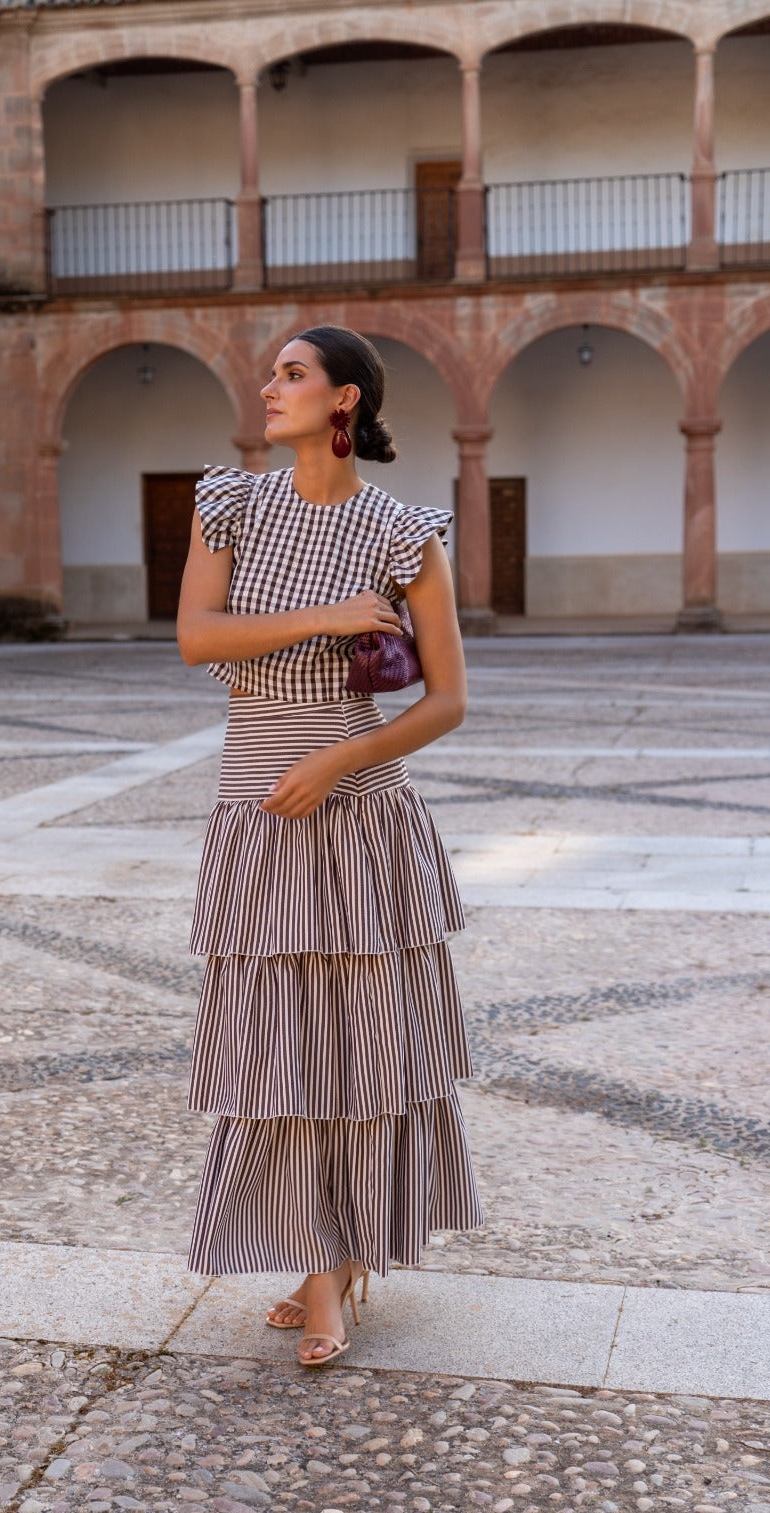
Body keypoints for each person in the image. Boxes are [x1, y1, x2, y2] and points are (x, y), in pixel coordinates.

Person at [177, 324, 483, 1367]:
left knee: (362, 1048)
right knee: (279, 1053)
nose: (269, 386)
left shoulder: (404, 532)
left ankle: (333, 1269)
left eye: (293, 373)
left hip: (359, 813)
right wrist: (330, 615)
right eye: (271, 373)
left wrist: (340, 762)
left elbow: (448, 700)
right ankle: (321, 1262)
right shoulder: (231, 503)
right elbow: (197, 637)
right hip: (258, 807)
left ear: (344, 399)